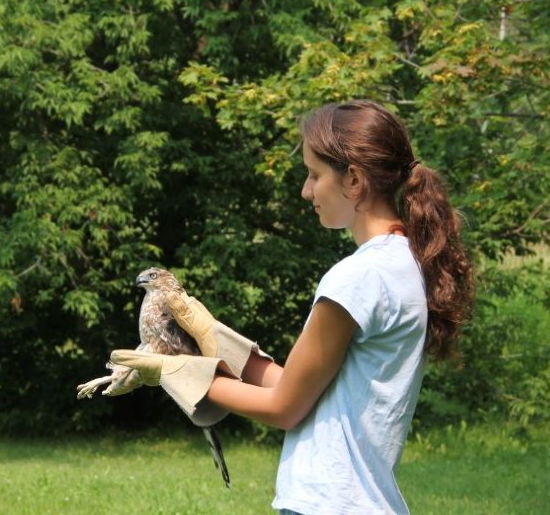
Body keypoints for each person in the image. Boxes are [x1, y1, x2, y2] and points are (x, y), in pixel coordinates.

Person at [110, 99, 475, 514]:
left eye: (314, 175)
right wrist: (220, 341)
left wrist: (178, 372)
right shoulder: (405, 263)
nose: (305, 190)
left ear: (353, 180)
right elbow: (306, 393)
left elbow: (284, 408)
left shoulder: (357, 277)